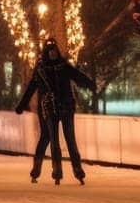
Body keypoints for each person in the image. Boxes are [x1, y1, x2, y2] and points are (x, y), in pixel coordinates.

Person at [15, 38, 96, 186]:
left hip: (65, 107)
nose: (53, 53)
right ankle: (54, 171)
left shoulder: (63, 66)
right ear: (46, 52)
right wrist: (22, 105)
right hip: (49, 108)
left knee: (70, 139)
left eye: (54, 50)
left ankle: (77, 170)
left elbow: (77, 76)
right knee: (52, 141)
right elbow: (31, 88)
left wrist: (90, 84)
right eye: (50, 51)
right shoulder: (40, 69)